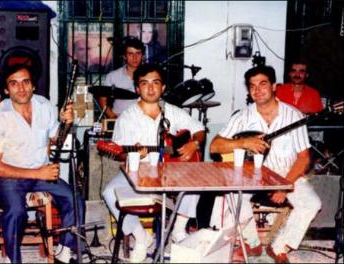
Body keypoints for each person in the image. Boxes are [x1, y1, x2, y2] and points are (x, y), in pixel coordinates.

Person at [209, 65, 322, 263]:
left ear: (274, 86)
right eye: (252, 86)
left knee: (312, 203)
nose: (257, 90)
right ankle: (252, 244)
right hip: (250, 176)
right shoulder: (242, 116)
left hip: (287, 174)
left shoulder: (293, 116)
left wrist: (285, 186)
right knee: (232, 197)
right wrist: (243, 142)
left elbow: (304, 157)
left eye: (262, 84)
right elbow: (214, 146)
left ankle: (279, 247)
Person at [102, 63, 205, 262]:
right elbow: (120, 153)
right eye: (144, 83)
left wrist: (194, 143)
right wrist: (134, 155)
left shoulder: (173, 112)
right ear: (137, 88)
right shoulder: (127, 117)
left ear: (163, 87)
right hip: (138, 172)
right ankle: (142, 238)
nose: (150, 88)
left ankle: (178, 230)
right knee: (109, 192)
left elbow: (199, 129)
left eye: (155, 83)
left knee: (196, 178)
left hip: (170, 171)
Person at [0, 63, 86, 263]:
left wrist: (66, 122)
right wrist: (38, 173)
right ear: (6, 89)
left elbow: (57, 138)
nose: (21, 88)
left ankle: (64, 253)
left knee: (75, 200)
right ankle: (13, 259)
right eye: (14, 84)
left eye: (25, 82)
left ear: (33, 86)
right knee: (16, 211)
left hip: (41, 172)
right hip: (7, 177)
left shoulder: (43, 105)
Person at [98, 37, 145, 119]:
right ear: (124, 56)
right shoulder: (113, 76)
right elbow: (102, 99)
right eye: (130, 54)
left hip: (143, 119)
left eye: (138, 53)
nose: (135, 57)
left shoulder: (149, 76)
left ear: (143, 56)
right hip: (120, 119)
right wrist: (112, 116)